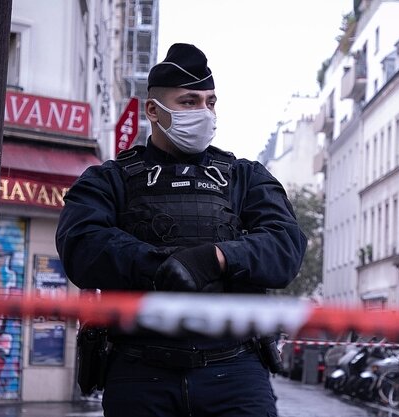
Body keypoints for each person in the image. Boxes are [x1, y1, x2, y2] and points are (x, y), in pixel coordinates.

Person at [56, 43, 307, 416]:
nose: (204, 113)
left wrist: (216, 258)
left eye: (210, 102)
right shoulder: (108, 181)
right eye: (189, 102)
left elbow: (286, 244)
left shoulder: (244, 177)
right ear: (154, 111)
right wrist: (160, 265)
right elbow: (81, 245)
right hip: (141, 371)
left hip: (234, 370)